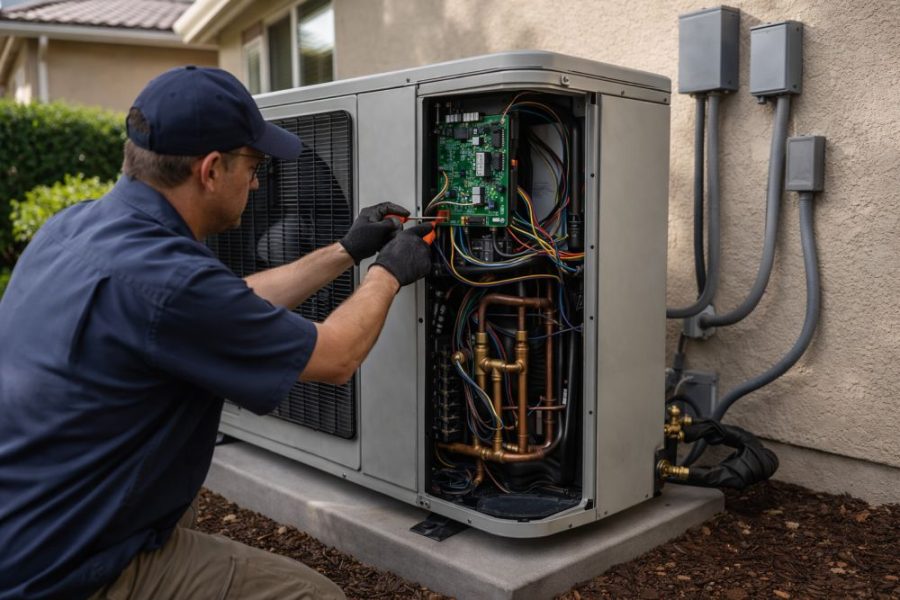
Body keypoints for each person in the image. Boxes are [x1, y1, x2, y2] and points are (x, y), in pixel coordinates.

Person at [0, 66, 432, 600]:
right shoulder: (170, 281)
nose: (257, 182)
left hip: (26, 520)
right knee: (316, 596)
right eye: (254, 166)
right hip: (60, 571)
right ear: (209, 170)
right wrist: (389, 272)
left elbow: (227, 303)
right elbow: (336, 356)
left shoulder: (73, 227)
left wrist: (345, 250)